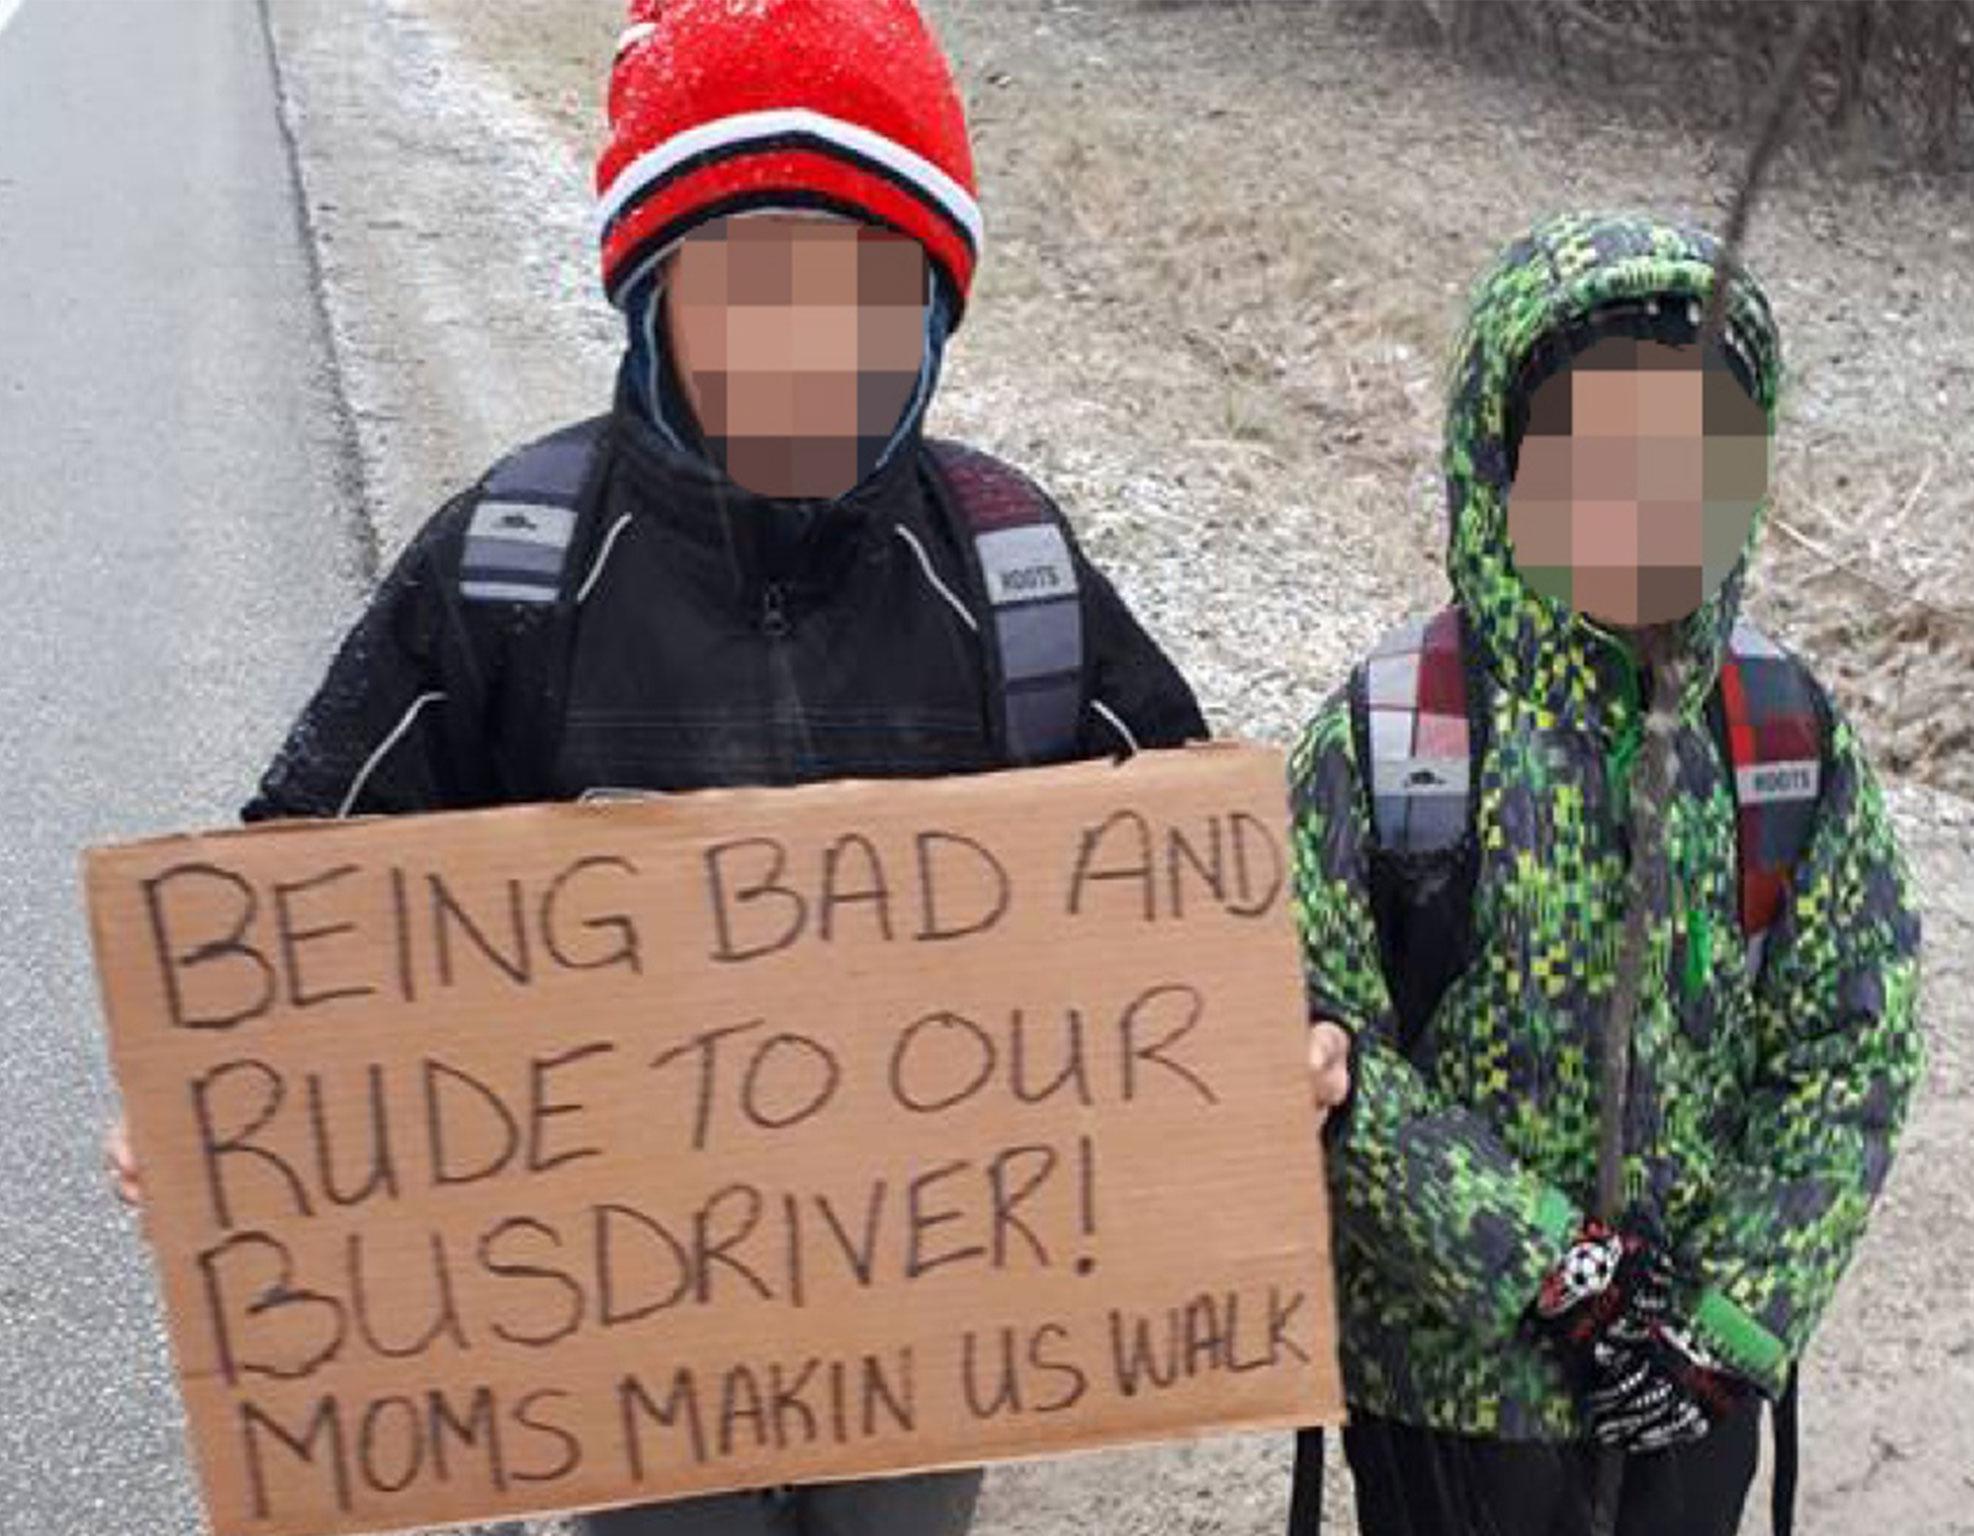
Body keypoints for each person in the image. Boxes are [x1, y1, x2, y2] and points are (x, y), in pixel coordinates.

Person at [105, 2, 1206, 1531]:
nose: (811, 349)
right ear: (651, 294)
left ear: (937, 308)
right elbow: (309, 879)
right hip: (626, 1357)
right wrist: (225, 1082)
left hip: (930, 1331)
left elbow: (1198, 883)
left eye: (868, 294)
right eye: (752, 287)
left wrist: (1292, 1037)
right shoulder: (517, 564)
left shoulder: (1008, 566)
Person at [1288, 211, 1924, 1536]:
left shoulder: (1782, 737)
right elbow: (1317, 1054)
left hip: (1693, 1408)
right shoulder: (1393, 733)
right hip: (1453, 1407)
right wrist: (1548, 1267)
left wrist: (1729, 1325)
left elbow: (1851, 1049)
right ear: (1506, 462)